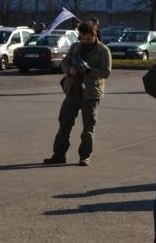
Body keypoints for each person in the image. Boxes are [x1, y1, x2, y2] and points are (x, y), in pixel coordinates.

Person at [43, 22, 111, 167]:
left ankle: (85, 156)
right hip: (72, 92)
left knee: (88, 128)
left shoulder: (103, 50)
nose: (85, 41)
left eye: (88, 39)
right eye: (83, 38)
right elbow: (64, 63)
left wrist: (89, 70)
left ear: (95, 35)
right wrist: (69, 71)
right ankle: (59, 155)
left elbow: (106, 72)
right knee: (64, 125)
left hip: (91, 95)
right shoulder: (75, 47)